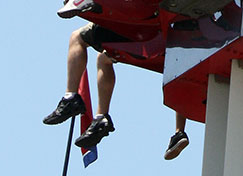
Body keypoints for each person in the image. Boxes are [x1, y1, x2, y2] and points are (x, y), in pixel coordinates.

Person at [43, 23, 190, 156]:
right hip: (174, 38)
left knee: (77, 37)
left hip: (140, 30)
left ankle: (71, 98)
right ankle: (179, 131)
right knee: (183, 64)